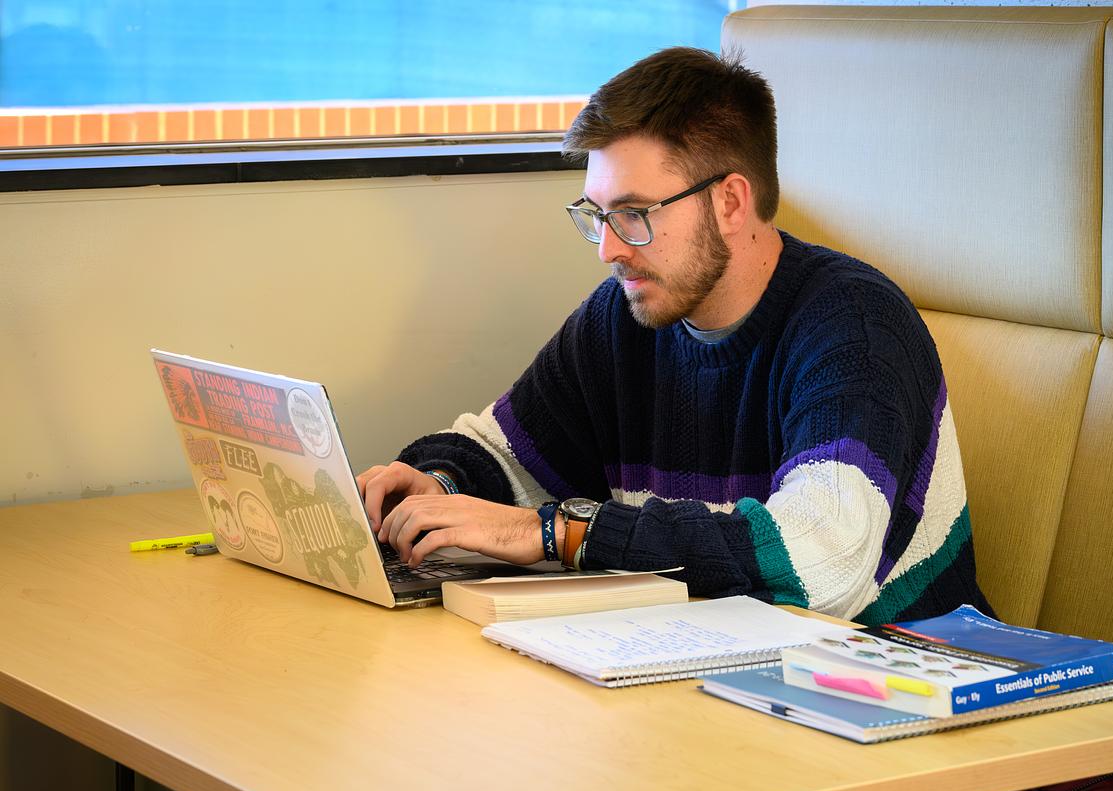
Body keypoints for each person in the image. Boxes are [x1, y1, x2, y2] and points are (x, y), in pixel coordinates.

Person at [356, 47, 992, 624]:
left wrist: (560, 533)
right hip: (718, 669)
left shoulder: (854, 325)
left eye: (633, 214)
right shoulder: (625, 315)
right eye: (597, 216)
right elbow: (513, 457)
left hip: (897, 684)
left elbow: (819, 563)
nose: (608, 248)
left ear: (731, 203)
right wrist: (436, 485)